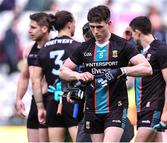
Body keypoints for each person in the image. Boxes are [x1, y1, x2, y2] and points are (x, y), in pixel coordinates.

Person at [59, 5, 152, 142]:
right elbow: (63, 71)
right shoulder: (85, 48)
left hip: (116, 107)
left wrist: (121, 70)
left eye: (99, 27)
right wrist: (78, 75)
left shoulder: (122, 45)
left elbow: (147, 68)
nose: (95, 31)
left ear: (109, 24)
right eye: (92, 27)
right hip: (92, 108)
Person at [76, 22, 135, 142]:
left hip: (114, 111)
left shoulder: (115, 50)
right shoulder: (81, 52)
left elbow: (138, 65)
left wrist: (129, 43)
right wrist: (75, 91)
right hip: (91, 113)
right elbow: (70, 76)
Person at [31, 10, 81, 142]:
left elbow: (35, 81)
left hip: (52, 102)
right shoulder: (77, 46)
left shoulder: (45, 48)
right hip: (73, 100)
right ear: (70, 24)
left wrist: (40, 107)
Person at [128, 16, 167, 142]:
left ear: (137, 32)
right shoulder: (138, 51)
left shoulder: (161, 49)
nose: (132, 36)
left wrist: (166, 111)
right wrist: (125, 40)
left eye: (132, 33)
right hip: (142, 107)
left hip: (154, 106)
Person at [15, 12, 52, 142]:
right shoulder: (29, 50)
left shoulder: (54, 49)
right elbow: (25, 76)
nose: (29, 31)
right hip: (35, 101)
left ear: (44, 29)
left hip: (50, 101)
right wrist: (19, 98)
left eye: (33, 27)